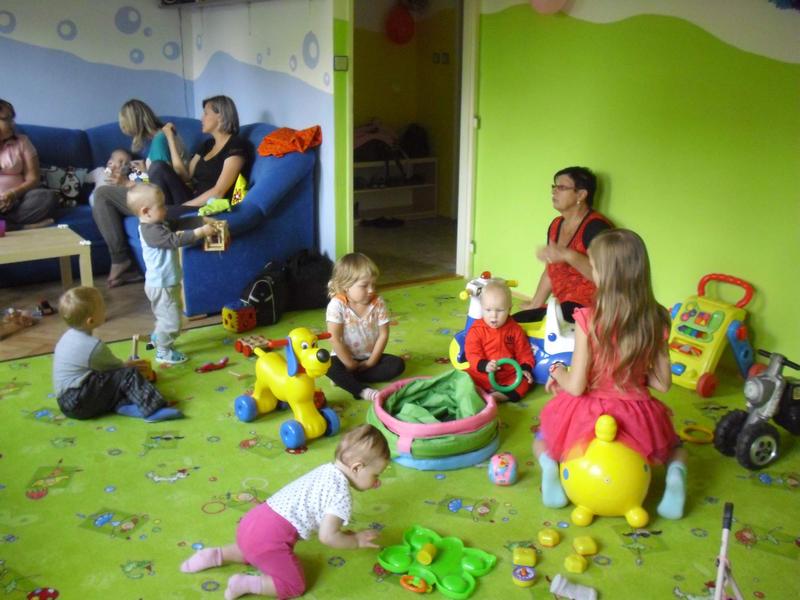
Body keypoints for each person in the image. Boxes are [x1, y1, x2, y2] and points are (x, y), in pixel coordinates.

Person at [533, 229, 687, 520]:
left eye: (593, 267)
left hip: (588, 413)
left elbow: (576, 386)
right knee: (675, 447)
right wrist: (632, 373)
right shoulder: (657, 318)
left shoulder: (589, 319)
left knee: (543, 438)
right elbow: (663, 383)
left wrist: (557, 370)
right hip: (637, 414)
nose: (590, 271)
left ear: (605, 275)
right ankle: (676, 475)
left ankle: (550, 467)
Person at [180, 423, 390, 600]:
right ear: (357, 467)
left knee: (250, 549)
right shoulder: (341, 495)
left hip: (253, 521)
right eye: (376, 475)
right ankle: (246, 584)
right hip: (270, 539)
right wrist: (355, 541)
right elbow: (328, 536)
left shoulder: (325, 470)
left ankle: (215, 555)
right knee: (294, 586)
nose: (377, 482)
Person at [93, 96, 247, 287]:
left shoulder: (236, 146)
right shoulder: (207, 145)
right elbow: (184, 175)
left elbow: (219, 191)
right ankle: (121, 258)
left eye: (206, 113)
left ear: (221, 116)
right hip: (187, 195)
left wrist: (185, 206)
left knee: (115, 193)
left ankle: (122, 258)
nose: (201, 118)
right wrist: (170, 140)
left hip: (203, 203)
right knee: (148, 172)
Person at [52, 286, 183, 422]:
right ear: (90, 320)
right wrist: (130, 365)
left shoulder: (67, 337)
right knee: (129, 374)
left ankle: (122, 405)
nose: (105, 309)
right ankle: (152, 409)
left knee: (108, 381)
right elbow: (117, 368)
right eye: (102, 308)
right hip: (79, 401)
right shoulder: (93, 346)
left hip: (66, 402)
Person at [127, 183, 215, 364]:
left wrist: (200, 220)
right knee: (173, 322)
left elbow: (177, 224)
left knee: (168, 316)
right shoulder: (151, 232)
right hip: (162, 285)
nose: (165, 209)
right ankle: (163, 351)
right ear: (146, 212)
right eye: (161, 206)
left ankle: (159, 336)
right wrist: (200, 232)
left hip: (166, 282)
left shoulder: (158, 223)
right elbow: (174, 240)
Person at [514, 166, 613, 324]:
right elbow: (550, 270)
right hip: (562, 305)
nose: (554, 191)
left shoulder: (596, 227)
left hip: (589, 309)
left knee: (516, 328)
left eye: (561, 187)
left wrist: (568, 255)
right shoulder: (556, 224)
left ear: (581, 194)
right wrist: (534, 304)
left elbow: (606, 276)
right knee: (509, 325)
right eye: (554, 186)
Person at [325, 252, 405, 401]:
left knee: (397, 365)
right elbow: (335, 339)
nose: (371, 290)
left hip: (369, 356)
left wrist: (371, 362)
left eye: (373, 284)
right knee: (327, 365)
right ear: (345, 286)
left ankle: (346, 380)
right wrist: (349, 363)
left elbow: (383, 334)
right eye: (364, 285)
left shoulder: (378, 302)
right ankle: (361, 391)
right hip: (343, 358)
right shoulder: (337, 305)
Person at [465, 279, 535, 402]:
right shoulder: (476, 330)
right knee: (462, 377)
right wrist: (484, 365)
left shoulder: (515, 330)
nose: (493, 315)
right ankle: (474, 392)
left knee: (526, 382)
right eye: (488, 310)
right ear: (482, 308)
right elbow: (472, 354)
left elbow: (524, 353)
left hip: (507, 375)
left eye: (500, 310)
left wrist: (525, 368)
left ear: (509, 309)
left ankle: (496, 397)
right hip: (481, 375)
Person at [0, 98, 59, 230]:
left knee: (46, 197)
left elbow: (33, 179)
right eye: (6, 119)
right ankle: (22, 227)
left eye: (12, 119)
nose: (12, 124)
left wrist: (13, 194)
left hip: (18, 201)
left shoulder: (22, 141)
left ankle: (7, 226)